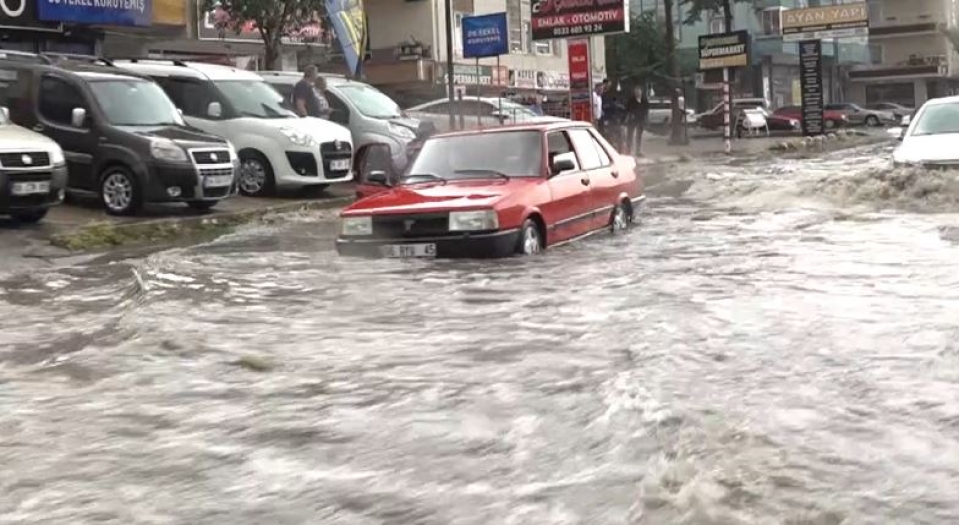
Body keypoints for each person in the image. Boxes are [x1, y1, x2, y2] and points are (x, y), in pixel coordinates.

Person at [625, 86, 650, 156]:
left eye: (639, 92)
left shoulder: (644, 100)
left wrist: (646, 118)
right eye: (636, 92)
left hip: (641, 120)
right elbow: (627, 108)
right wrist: (630, 114)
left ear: (641, 92)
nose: (637, 93)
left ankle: (638, 151)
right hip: (632, 120)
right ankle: (628, 150)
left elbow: (646, 109)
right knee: (630, 135)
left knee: (639, 136)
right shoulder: (631, 100)